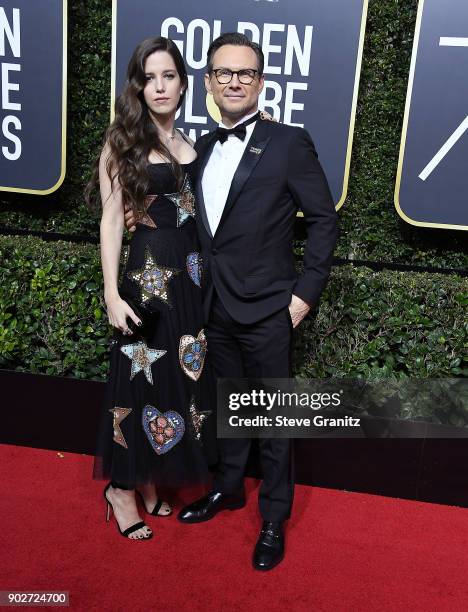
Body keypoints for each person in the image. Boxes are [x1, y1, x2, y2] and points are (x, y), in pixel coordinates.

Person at [125, 32, 338, 567]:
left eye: (245, 73)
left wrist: (303, 297)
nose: (234, 81)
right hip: (211, 305)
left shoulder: (289, 142)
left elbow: (324, 221)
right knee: (226, 407)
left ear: (261, 81)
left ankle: (273, 519)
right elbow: (181, 214)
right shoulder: (196, 147)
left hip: (270, 307)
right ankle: (228, 488)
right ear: (209, 83)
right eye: (224, 73)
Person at [86, 37, 216, 541]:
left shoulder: (190, 141)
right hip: (146, 277)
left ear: (183, 84)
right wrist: (111, 293)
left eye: (169, 76)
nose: (159, 87)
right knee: (136, 383)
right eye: (149, 77)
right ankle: (121, 487)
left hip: (189, 277)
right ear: (137, 86)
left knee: (174, 383)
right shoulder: (123, 141)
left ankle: (147, 478)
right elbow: (112, 221)